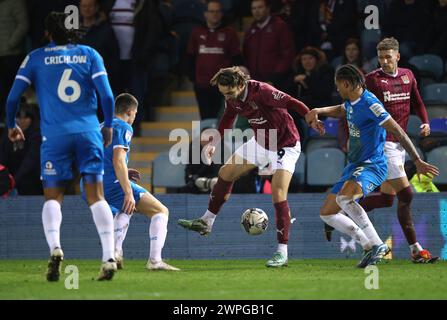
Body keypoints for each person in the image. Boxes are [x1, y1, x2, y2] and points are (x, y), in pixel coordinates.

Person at [5, 12, 117, 281]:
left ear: (47, 33)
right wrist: (109, 125)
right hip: (88, 132)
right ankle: (108, 257)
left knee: (53, 197)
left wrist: (11, 124)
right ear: (76, 31)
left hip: (54, 136)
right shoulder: (90, 54)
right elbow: (107, 96)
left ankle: (55, 248)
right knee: (96, 196)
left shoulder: (36, 57)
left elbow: (12, 98)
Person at [178, 66, 324, 268]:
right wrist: (214, 142)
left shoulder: (262, 91)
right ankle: (207, 221)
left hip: (285, 144)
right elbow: (228, 118)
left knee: (278, 191)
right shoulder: (233, 98)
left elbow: (291, 102)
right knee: (225, 172)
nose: (227, 97)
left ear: (240, 84)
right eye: (223, 94)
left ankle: (282, 253)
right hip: (261, 142)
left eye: (229, 92)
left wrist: (310, 117)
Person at [305, 64, 439, 268]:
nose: (337, 89)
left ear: (347, 84)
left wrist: (417, 159)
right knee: (327, 213)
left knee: (345, 198)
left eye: (338, 86)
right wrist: (319, 110)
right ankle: (368, 244)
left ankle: (378, 245)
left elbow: (399, 132)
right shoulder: (351, 101)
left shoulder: (370, 103)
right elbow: (343, 110)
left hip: (372, 164)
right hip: (354, 165)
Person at [358, 37, 439, 263]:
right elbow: (358, 107)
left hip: (399, 144)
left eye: (388, 56)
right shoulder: (372, 80)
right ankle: (416, 251)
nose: (384, 61)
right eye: (381, 57)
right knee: (407, 194)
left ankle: (346, 206)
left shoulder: (408, 76)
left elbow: (418, 101)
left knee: (386, 199)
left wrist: (425, 121)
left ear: (397, 56)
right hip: (383, 143)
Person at [98, 93, 179, 271]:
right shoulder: (123, 127)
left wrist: (124, 172)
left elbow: (100, 158)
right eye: (135, 114)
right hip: (112, 184)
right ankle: (155, 261)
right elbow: (117, 159)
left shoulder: (102, 126)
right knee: (161, 211)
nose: (134, 117)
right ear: (130, 112)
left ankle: (116, 252)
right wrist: (128, 191)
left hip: (92, 184)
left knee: (126, 208)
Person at [187, 0, 243, 120]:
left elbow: (236, 58)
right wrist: (194, 78)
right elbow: (190, 57)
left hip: (223, 86)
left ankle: (219, 139)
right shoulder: (197, 32)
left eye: (218, 11)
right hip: (202, 85)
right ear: (205, 14)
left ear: (222, 14)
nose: (215, 14)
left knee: (221, 119)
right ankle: (207, 138)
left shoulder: (230, 33)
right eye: (211, 11)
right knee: (205, 118)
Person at [243, 0, 295, 92]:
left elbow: (287, 54)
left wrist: (274, 78)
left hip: (277, 82)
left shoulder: (280, 26)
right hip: (256, 82)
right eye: (254, 8)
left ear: (267, 9)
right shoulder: (250, 31)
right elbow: (246, 55)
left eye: (260, 7)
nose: (256, 11)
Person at [0, 100, 42, 195]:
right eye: (18, 117)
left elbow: (30, 162)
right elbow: (2, 157)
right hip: (8, 180)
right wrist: (5, 178)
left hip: (31, 181)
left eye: (26, 117)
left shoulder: (36, 136)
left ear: (32, 119)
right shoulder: (7, 133)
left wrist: (14, 181)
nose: (22, 121)